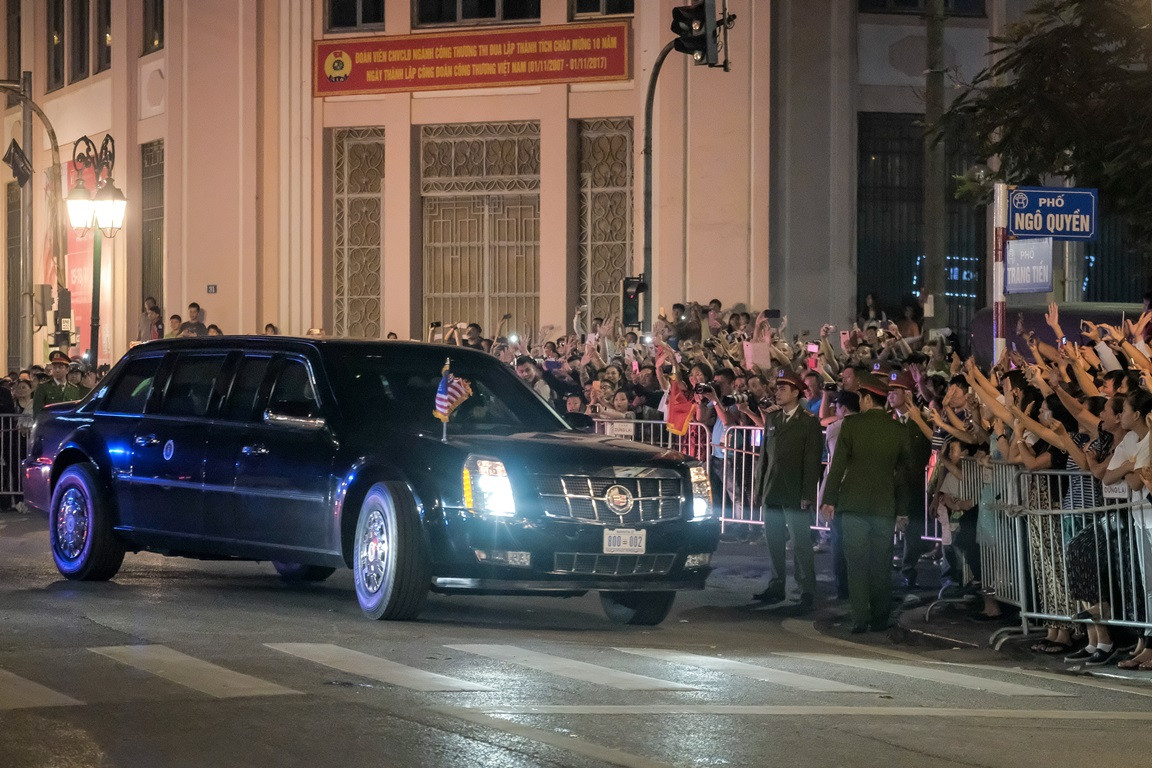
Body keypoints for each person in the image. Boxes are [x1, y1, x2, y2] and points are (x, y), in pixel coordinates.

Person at [821, 371, 913, 633]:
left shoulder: (851, 426)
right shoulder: (899, 430)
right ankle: (881, 617)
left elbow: (837, 466)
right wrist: (903, 510)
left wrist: (829, 499)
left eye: (861, 397)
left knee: (856, 563)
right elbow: (903, 476)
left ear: (867, 399)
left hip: (853, 505)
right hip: (884, 506)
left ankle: (860, 616)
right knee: (881, 564)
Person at [752, 370, 824, 610]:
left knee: (800, 543)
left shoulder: (808, 421)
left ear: (796, 392)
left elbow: (811, 461)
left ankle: (806, 590)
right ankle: (776, 584)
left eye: (783, 389)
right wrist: (759, 487)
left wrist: (807, 495)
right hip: (772, 488)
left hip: (795, 491)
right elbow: (765, 456)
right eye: (777, 388)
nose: (778, 393)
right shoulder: (773, 418)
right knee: (773, 541)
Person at [887, 369, 934, 590]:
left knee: (912, 534)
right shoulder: (888, 421)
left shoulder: (921, 421)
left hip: (914, 483)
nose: (890, 396)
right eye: (889, 392)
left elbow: (932, 444)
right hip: (890, 483)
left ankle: (909, 570)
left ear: (907, 393)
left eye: (895, 391)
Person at [32, 351, 85, 415]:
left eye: (60, 367)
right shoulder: (43, 387)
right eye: (54, 367)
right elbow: (37, 411)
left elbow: (76, 411)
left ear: (67, 369)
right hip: (49, 423)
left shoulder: (74, 389)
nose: (57, 370)